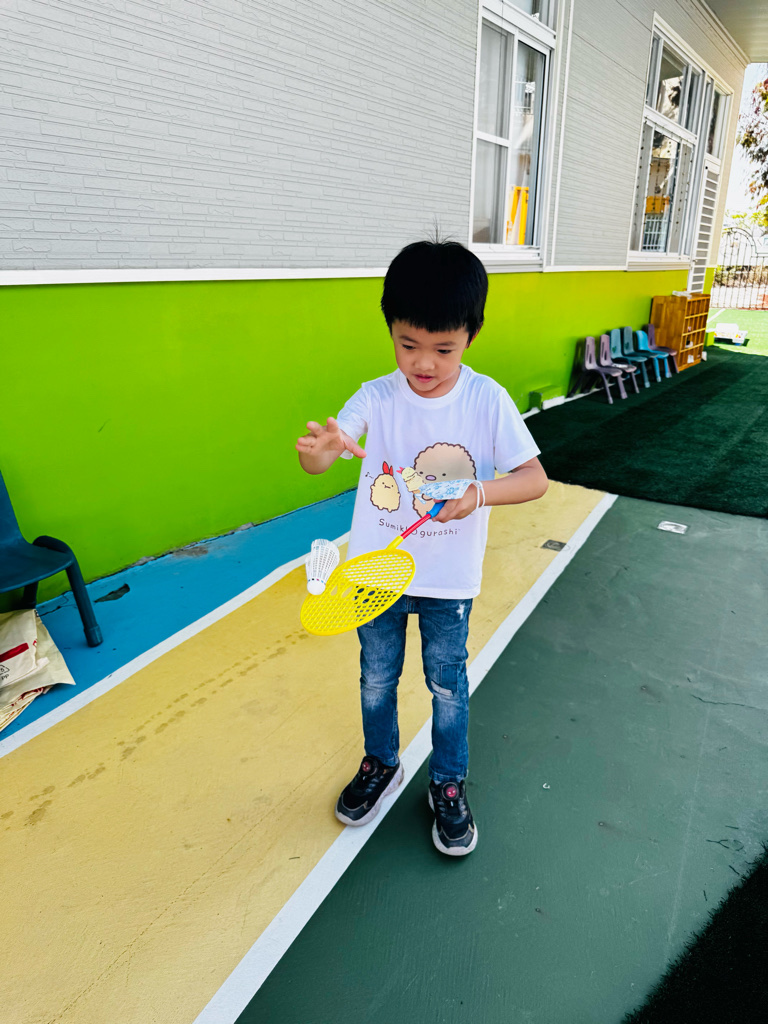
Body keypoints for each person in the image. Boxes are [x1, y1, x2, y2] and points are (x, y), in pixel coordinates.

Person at [296, 240, 548, 855]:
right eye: (408, 345)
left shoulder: (486, 399)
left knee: (447, 685)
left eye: (443, 349)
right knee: (376, 680)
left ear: (471, 336)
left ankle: (448, 781)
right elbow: (329, 452)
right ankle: (382, 763)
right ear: (390, 329)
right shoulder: (375, 396)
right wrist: (319, 454)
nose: (424, 363)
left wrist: (477, 495)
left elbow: (534, 479)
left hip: (447, 583)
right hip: (375, 576)